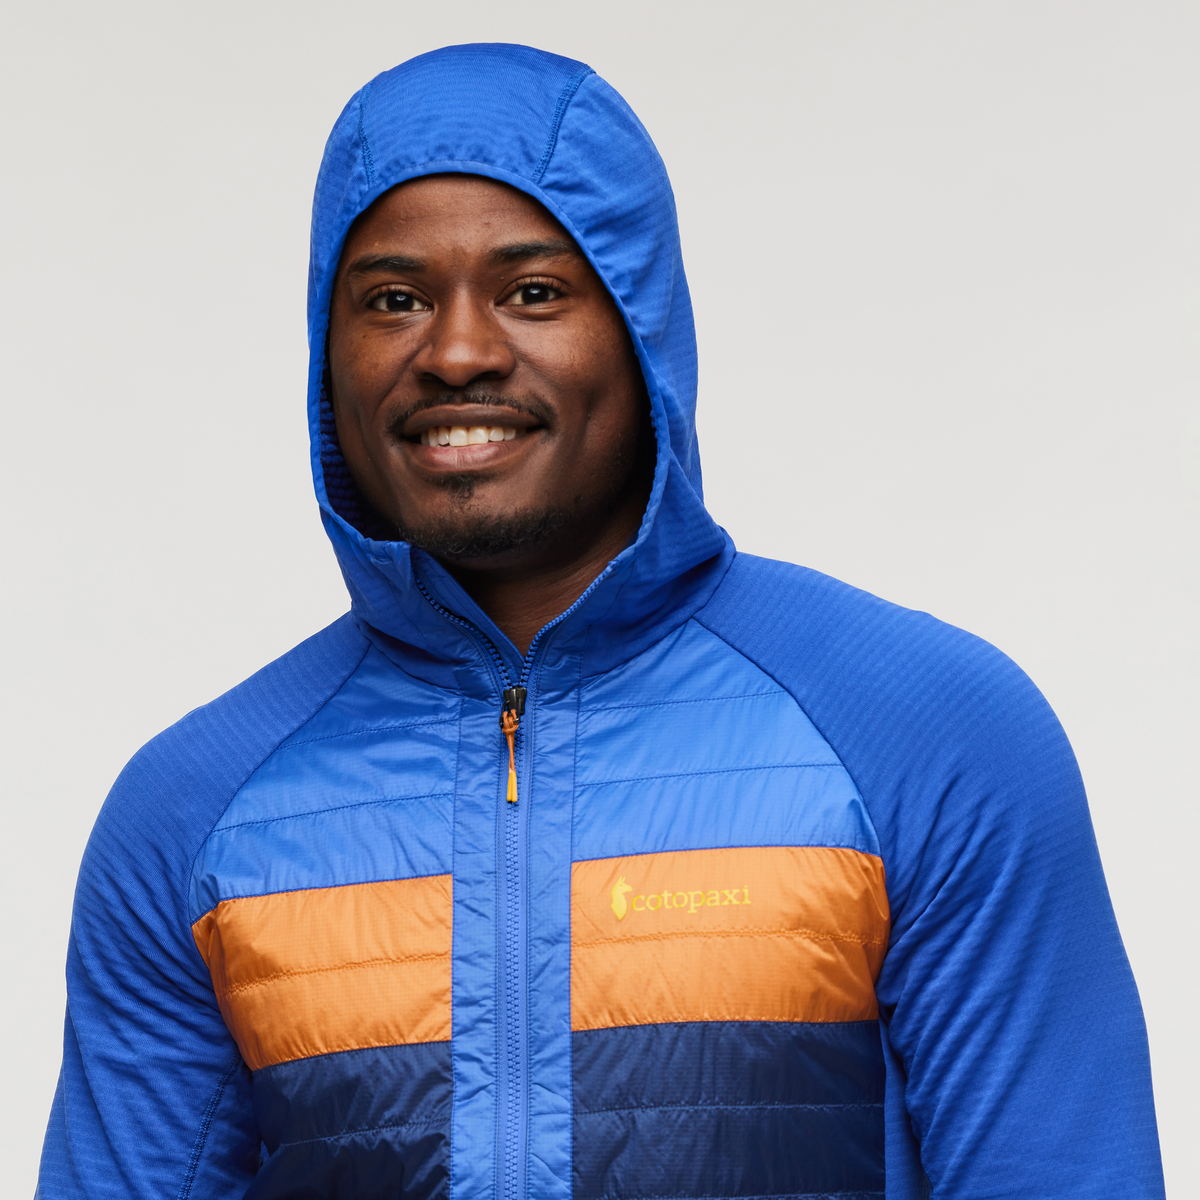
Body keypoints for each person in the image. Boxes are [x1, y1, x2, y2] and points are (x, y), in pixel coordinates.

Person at [37, 42, 1165, 1200]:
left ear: (641, 328)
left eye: (532, 292)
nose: (458, 353)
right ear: (329, 356)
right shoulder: (191, 812)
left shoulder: (927, 734)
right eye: (393, 299)